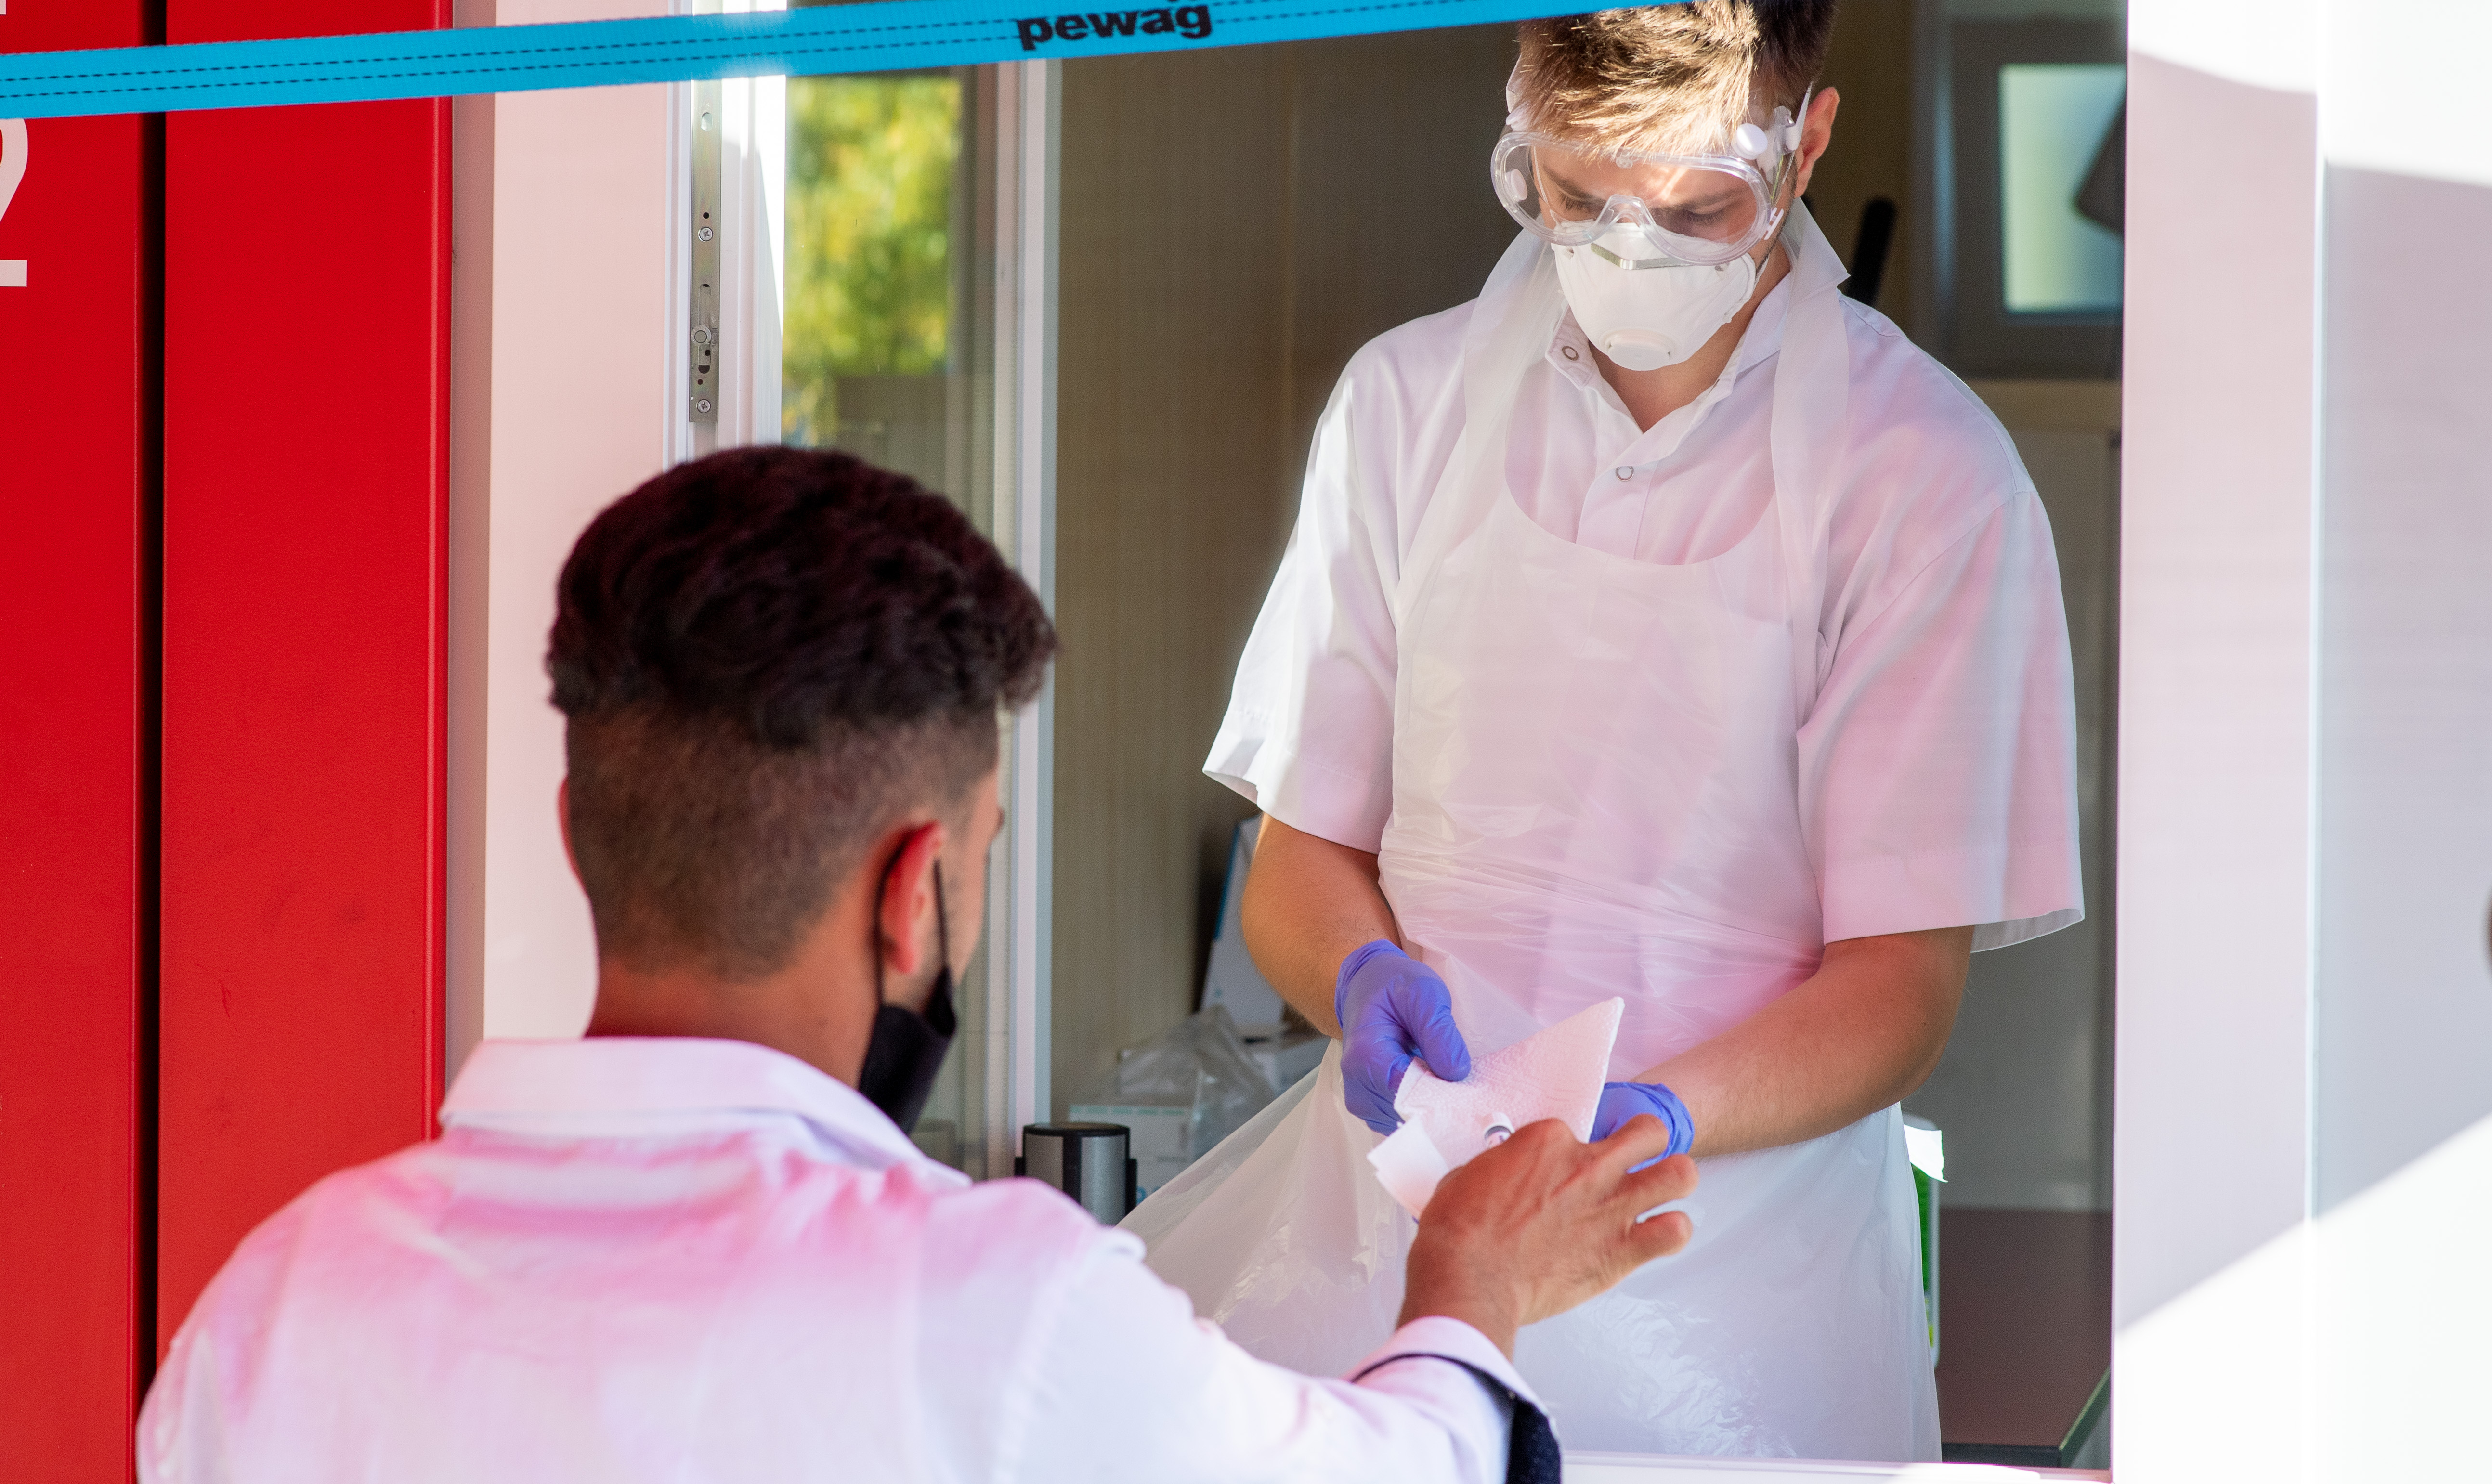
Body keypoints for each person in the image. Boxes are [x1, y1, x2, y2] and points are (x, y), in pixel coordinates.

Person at [135, 446, 1701, 1484]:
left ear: (577, 830)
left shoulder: (273, 1312)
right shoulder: (992, 1311)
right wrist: (1471, 1281)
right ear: (915, 893)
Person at [1137, 0, 2081, 1463]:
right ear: (1520, 134)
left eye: (1699, 206)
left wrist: (1661, 1114)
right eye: (1577, 195)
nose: (1631, 246)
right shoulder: (1404, 408)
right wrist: (1357, 972)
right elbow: (1303, 857)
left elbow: (1899, 987)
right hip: (1381, 1260)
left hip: (1732, 1276)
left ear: (1812, 142)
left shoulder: (1924, 475)